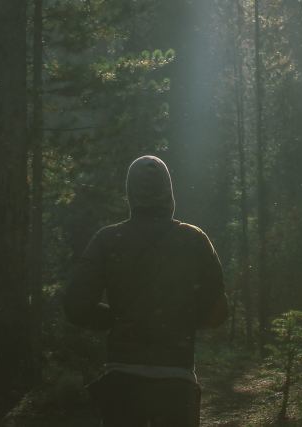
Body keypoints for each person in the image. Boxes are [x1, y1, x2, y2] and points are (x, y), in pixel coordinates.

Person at [64, 155, 228, 426]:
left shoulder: (108, 240)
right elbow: (219, 311)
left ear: (131, 194)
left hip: (122, 382)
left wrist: (113, 319)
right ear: (169, 193)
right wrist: (181, 321)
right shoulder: (193, 239)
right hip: (177, 381)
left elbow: (75, 306)